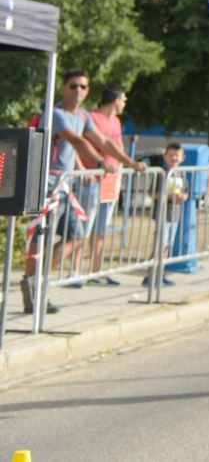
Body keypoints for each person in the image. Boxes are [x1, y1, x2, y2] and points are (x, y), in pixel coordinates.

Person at [21, 71, 145, 314]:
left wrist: (130, 162)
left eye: (83, 87)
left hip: (65, 186)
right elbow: (77, 141)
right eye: (73, 86)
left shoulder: (82, 115)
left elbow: (104, 141)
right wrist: (100, 163)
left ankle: (38, 280)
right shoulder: (55, 114)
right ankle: (32, 283)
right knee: (41, 237)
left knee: (77, 236)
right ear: (63, 88)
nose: (78, 90)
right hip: (46, 185)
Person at [83, 86, 144, 285]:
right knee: (83, 228)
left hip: (111, 181)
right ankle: (74, 271)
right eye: (123, 99)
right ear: (115, 100)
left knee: (101, 227)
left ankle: (96, 271)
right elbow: (88, 145)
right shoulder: (92, 118)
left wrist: (125, 166)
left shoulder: (116, 122)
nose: (125, 103)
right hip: (92, 178)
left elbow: (118, 148)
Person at [143, 143, 189, 288]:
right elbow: (152, 193)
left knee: (167, 246)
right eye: (171, 155)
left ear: (182, 158)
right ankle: (151, 275)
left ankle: (160, 273)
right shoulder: (162, 173)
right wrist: (169, 197)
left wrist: (183, 197)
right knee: (160, 245)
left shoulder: (181, 174)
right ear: (165, 157)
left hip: (175, 214)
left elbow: (186, 192)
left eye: (177, 155)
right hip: (163, 213)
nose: (174, 158)